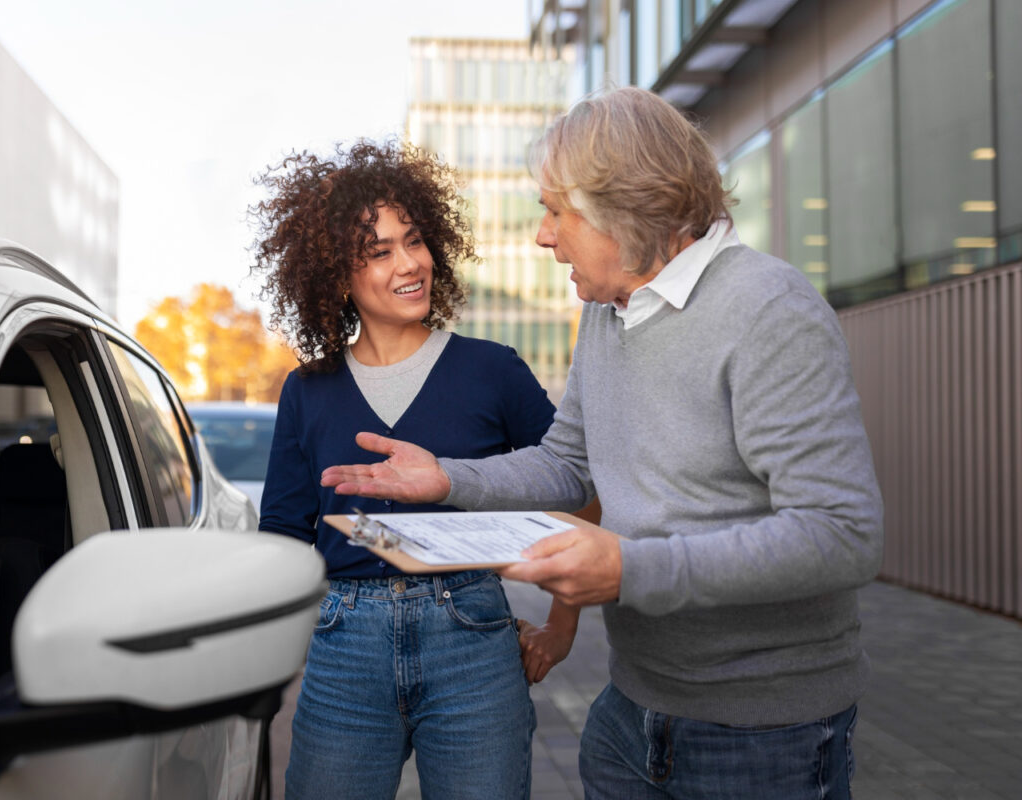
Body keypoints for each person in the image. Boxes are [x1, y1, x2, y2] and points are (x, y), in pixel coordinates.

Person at [321, 88, 884, 800]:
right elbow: (567, 463)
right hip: (630, 713)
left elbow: (842, 535)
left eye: (557, 210)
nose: (543, 236)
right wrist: (448, 479)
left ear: (625, 208)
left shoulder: (770, 311)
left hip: (761, 734)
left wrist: (630, 571)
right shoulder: (609, 313)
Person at [250, 139, 580, 800]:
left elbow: (578, 487)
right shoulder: (307, 390)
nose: (410, 264)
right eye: (380, 252)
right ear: (335, 277)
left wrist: (560, 626)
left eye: (415, 241)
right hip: (344, 645)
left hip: (472, 639)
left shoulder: (493, 371)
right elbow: (284, 536)